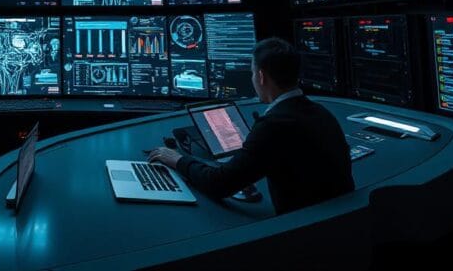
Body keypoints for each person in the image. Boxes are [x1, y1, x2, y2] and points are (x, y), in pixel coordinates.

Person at [149, 37, 354, 215]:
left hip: (300, 232)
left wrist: (177, 159)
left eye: (253, 72)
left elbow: (218, 184)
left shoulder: (273, 126)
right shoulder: (322, 112)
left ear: (261, 76)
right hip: (338, 224)